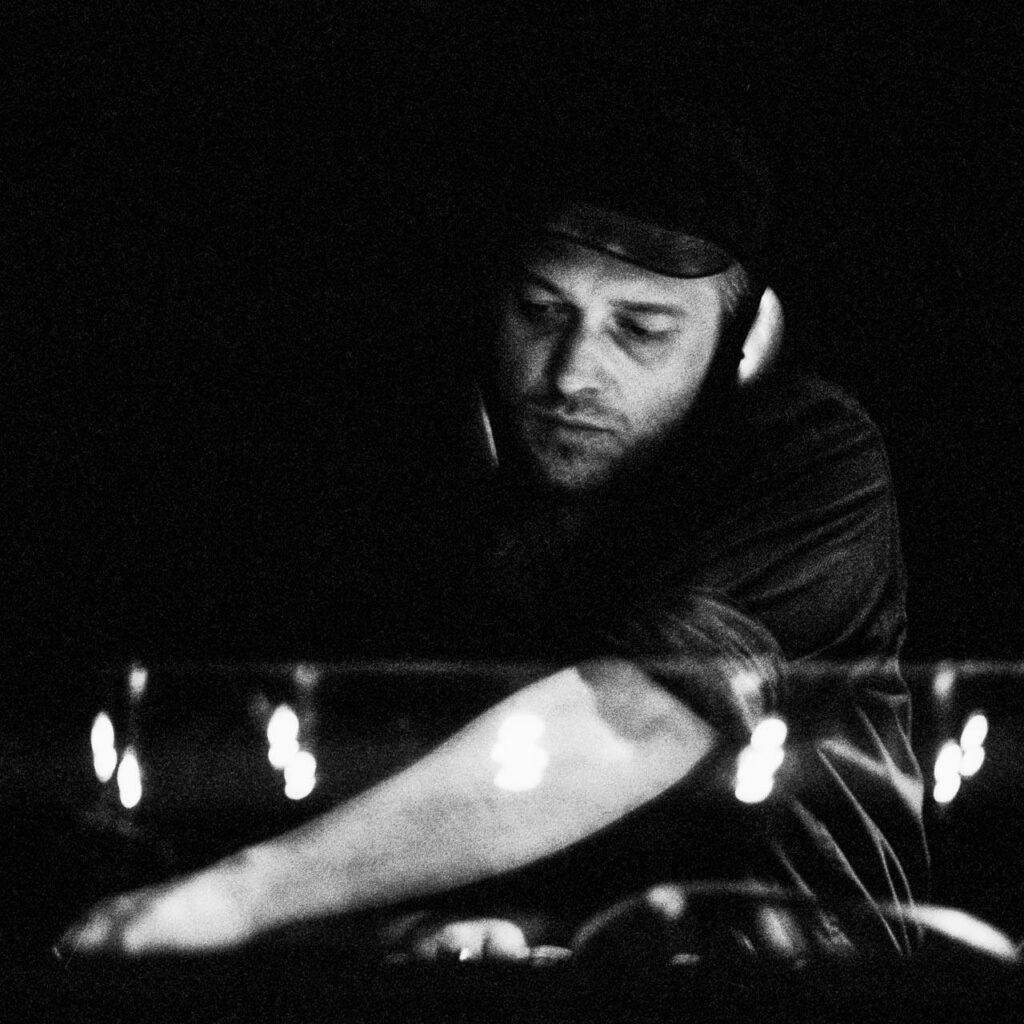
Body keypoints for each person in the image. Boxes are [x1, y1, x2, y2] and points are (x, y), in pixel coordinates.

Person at [58, 104, 927, 961]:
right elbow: (310, 789)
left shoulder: (815, 457)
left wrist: (241, 896)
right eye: (541, 310)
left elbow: (637, 720)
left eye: (641, 330)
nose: (573, 373)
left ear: (741, 342)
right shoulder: (417, 481)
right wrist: (414, 930)